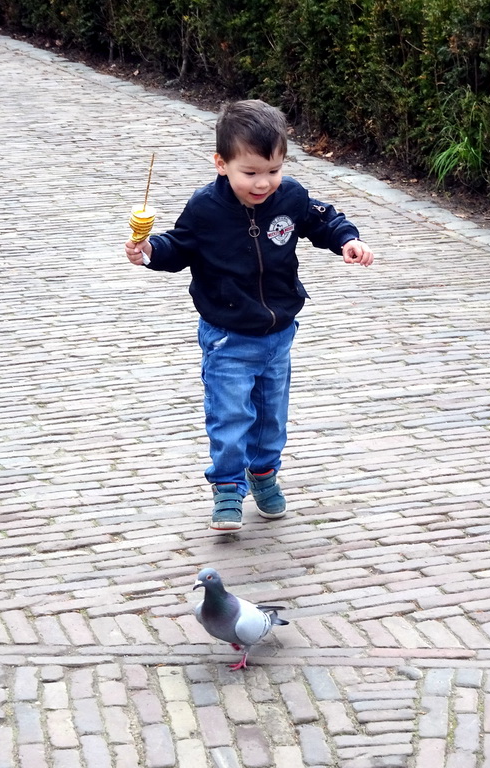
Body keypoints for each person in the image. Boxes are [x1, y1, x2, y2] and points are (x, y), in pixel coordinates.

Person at [125, 99, 374, 532]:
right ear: (222, 164)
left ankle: (264, 474)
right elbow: (178, 246)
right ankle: (226, 486)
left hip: (279, 332)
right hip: (227, 336)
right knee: (230, 415)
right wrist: (148, 251)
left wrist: (346, 240)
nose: (264, 183)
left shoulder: (290, 195)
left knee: (270, 413)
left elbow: (322, 219)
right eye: (251, 173)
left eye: (273, 170)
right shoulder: (205, 207)